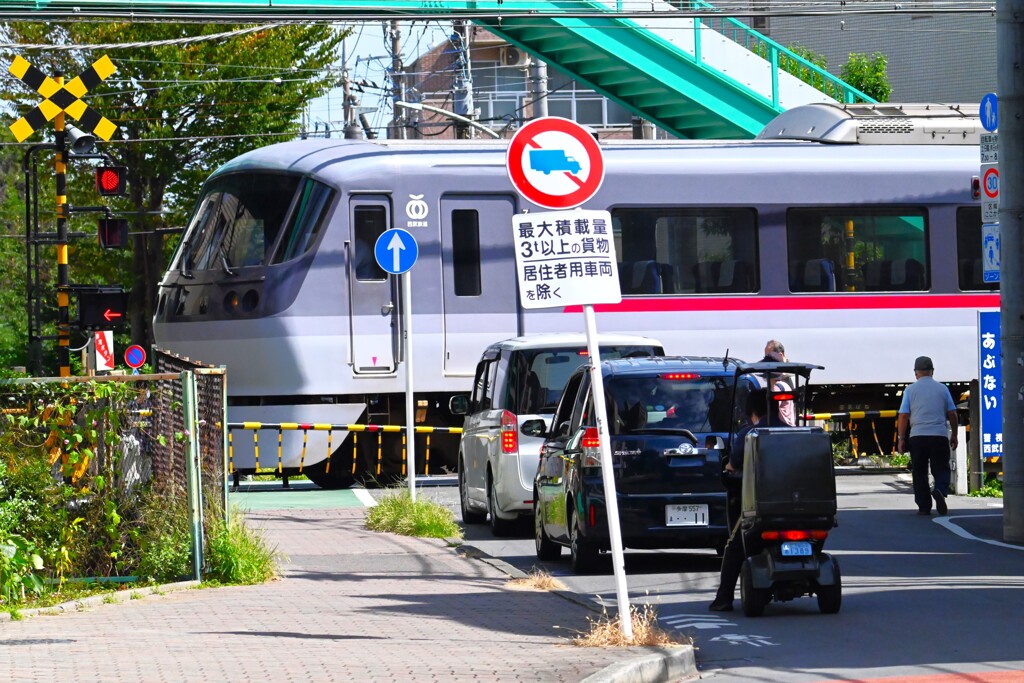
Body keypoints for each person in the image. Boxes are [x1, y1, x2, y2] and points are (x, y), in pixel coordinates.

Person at [709, 388, 768, 612]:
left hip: (758, 507)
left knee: (734, 546)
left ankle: (724, 598)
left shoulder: (748, 434)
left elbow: (732, 466)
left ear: (751, 410)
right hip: (800, 508)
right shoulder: (793, 432)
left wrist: (728, 467)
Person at [897, 356, 958, 516]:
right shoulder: (942, 389)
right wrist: (955, 435)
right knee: (941, 467)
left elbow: (903, 416)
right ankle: (939, 489)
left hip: (918, 436)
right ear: (932, 371)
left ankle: (924, 507)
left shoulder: (910, 390)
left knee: (919, 471)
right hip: (939, 435)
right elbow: (952, 413)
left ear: (916, 373)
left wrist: (901, 438)